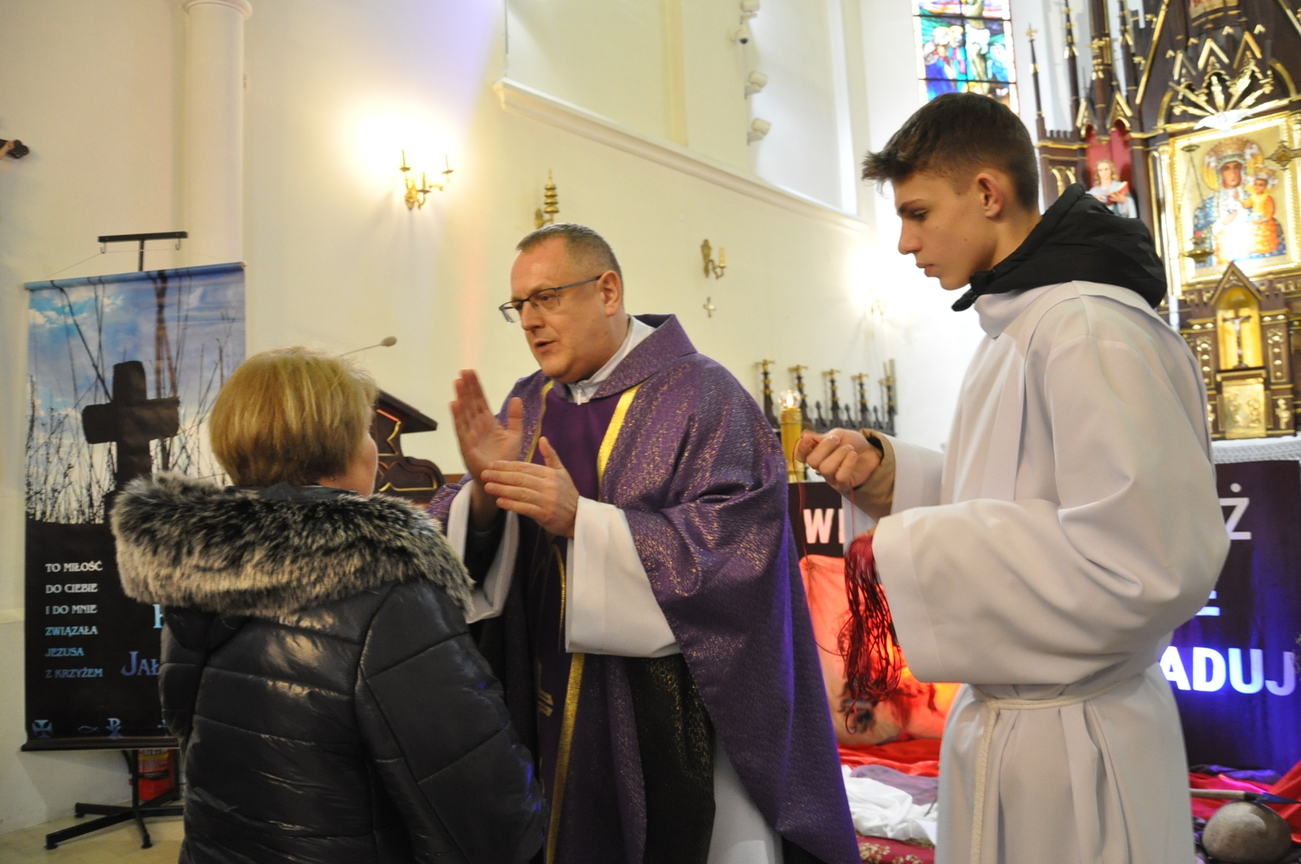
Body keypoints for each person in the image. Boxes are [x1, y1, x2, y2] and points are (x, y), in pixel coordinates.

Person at [796, 93, 1230, 863]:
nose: (904, 241)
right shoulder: (1015, 326)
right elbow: (1014, 500)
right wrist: (891, 478)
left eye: (918, 213)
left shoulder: (1088, 327)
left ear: (987, 193)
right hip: (1012, 726)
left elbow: (1143, 560)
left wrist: (910, 546)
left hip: (1079, 747)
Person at [428, 223, 857, 864]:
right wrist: (485, 495)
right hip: (545, 696)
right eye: (519, 306)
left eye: (547, 298)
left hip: (671, 712)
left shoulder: (705, 396)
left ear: (607, 291)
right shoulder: (527, 402)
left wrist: (584, 522)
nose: (531, 321)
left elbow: (739, 555)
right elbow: (463, 543)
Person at [112, 347, 546, 864]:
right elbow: (476, 794)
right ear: (340, 446)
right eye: (366, 430)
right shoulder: (385, 586)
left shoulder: (195, 570)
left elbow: (187, 727)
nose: (374, 447)